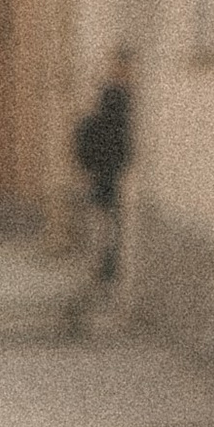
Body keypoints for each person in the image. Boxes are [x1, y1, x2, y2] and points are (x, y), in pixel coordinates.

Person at [72, 43, 136, 284]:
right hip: (107, 169)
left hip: (109, 169)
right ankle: (101, 270)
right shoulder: (113, 97)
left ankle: (102, 269)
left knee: (106, 223)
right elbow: (101, 132)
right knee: (105, 223)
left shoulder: (111, 95)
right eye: (122, 66)